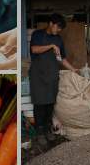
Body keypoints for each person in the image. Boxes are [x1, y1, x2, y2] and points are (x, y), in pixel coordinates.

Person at [28, 13, 76, 146]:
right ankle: (40, 133)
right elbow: (34, 49)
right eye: (57, 26)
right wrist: (51, 46)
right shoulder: (37, 34)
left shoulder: (59, 40)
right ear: (50, 23)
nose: (58, 30)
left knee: (50, 103)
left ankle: (48, 130)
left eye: (61, 28)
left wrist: (72, 69)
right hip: (38, 75)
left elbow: (62, 58)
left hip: (52, 75)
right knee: (39, 104)